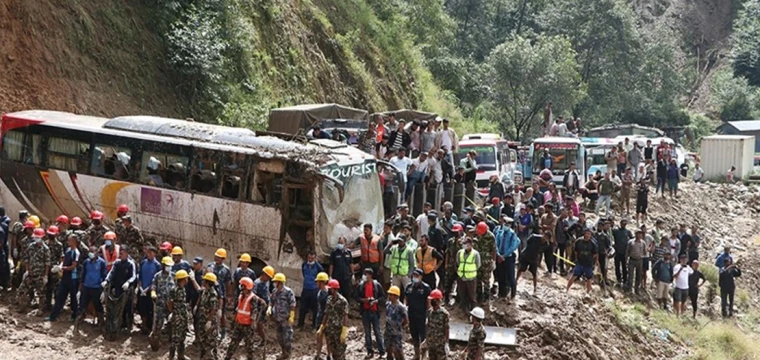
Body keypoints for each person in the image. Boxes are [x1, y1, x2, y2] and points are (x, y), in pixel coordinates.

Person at [225, 277, 266, 360]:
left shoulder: (252, 298)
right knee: (233, 343)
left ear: (245, 286)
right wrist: (234, 320)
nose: (240, 286)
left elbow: (254, 311)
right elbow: (238, 309)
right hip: (239, 323)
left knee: (249, 347)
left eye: (242, 285)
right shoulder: (241, 295)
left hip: (248, 326)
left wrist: (253, 323)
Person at [46, 234, 80, 322]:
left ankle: (75, 316)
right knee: (60, 297)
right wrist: (59, 266)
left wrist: (62, 268)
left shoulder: (76, 252)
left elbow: (73, 266)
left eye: (70, 240)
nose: (68, 241)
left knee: (73, 298)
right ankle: (53, 316)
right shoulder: (68, 250)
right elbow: (64, 261)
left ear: (74, 242)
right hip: (65, 277)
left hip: (72, 278)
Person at [17, 227, 51, 313]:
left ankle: (40, 310)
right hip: (30, 274)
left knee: (41, 293)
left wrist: (46, 275)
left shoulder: (45, 249)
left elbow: (47, 263)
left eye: (38, 237)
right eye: (35, 237)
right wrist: (27, 270)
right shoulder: (31, 246)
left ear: (42, 237)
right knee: (22, 290)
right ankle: (22, 306)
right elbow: (27, 259)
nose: (36, 239)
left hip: (40, 275)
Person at [355, 268, 386, 358]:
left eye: (366, 274)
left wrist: (376, 301)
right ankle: (369, 351)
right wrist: (364, 300)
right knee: (367, 333)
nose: (364, 276)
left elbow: (382, 297)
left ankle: (382, 351)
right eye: (364, 274)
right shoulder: (360, 286)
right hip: (365, 312)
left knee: (377, 332)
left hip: (375, 311)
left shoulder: (376, 285)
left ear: (370, 275)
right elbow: (356, 297)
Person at [77, 244, 106, 328]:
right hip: (86, 287)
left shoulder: (101, 263)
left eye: (92, 252)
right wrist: (79, 290)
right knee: (82, 305)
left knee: (98, 306)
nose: (91, 254)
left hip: (96, 287)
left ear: (96, 253)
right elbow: (83, 275)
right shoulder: (86, 262)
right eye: (90, 252)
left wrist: (103, 291)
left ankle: (101, 323)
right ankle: (78, 322)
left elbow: (104, 276)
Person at [405, 269, 431, 360]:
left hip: (422, 316)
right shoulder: (409, 286)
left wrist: (428, 315)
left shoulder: (426, 288)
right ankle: (417, 354)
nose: (415, 277)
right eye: (414, 276)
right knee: (414, 335)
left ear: (421, 277)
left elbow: (428, 303)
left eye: (417, 276)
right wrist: (405, 309)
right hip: (412, 315)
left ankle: (424, 355)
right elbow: (406, 299)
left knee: (423, 336)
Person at [269, 273, 296, 359]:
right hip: (277, 318)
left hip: (286, 319)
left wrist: (292, 316)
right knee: (279, 337)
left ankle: (288, 354)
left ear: (280, 282)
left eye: (276, 282)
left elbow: (292, 304)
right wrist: (269, 308)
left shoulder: (288, 292)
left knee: (287, 338)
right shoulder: (274, 291)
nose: (275, 283)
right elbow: (272, 301)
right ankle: (283, 352)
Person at [320, 279, 349, 360]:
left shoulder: (343, 301)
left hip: (339, 330)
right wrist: (322, 326)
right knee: (333, 352)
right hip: (330, 329)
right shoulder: (329, 299)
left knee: (340, 353)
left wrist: (344, 330)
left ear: (335, 289)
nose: (329, 290)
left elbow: (345, 316)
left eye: (330, 289)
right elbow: (326, 313)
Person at [150, 256, 176, 343]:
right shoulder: (157, 276)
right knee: (158, 323)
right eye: (167, 265)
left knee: (171, 322)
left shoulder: (173, 276)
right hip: (160, 303)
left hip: (170, 304)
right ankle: (156, 340)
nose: (169, 267)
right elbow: (153, 286)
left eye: (170, 266)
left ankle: (171, 340)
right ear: (163, 265)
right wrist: (153, 293)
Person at [207, 248, 233, 338]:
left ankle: (223, 330)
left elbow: (228, 283)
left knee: (221, 314)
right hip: (210, 293)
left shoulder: (226, 269)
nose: (217, 258)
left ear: (223, 259)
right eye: (216, 256)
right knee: (210, 311)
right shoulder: (210, 266)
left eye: (219, 257)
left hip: (221, 294)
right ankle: (212, 329)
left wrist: (229, 295)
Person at [137, 246, 161, 334]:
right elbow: (140, 276)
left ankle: (150, 327)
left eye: (151, 253)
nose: (149, 255)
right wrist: (140, 287)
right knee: (142, 308)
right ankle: (143, 326)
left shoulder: (157, 265)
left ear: (154, 254)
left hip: (151, 291)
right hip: (142, 290)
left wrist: (148, 288)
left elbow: (157, 279)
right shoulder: (143, 263)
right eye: (148, 253)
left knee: (150, 308)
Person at [384, 234, 415, 302]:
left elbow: (412, 264)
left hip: (405, 275)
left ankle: (408, 306)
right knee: (394, 293)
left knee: (408, 292)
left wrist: (409, 274)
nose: (399, 242)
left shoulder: (409, 250)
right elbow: (385, 251)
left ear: (405, 241)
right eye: (398, 241)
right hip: (396, 275)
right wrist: (390, 244)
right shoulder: (394, 248)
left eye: (401, 241)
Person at [495, 216, 519, 300]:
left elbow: (512, 247)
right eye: (505, 223)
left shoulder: (512, 234)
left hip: (508, 258)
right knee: (501, 276)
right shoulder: (499, 232)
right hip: (499, 257)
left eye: (507, 223)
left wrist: (504, 256)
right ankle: (502, 293)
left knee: (511, 277)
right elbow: (496, 244)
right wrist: (498, 255)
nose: (505, 225)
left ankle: (513, 294)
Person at [168, 270, 190, 360]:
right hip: (177, 316)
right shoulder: (174, 289)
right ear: (183, 279)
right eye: (186, 278)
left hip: (183, 315)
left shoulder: (183, 288)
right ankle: (171, 356)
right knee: (175, 337)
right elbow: (170, 302)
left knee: (182, 336)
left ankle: (181, 355)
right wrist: (172, 312)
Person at [566, 228, 598, 293]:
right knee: (574, 275)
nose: (587, 235)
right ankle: (567, 289)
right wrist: (576, 258)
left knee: (589, 278)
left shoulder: (593, 243)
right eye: (586, 233)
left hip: (588, 263)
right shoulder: (579, 241)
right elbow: (575, 251)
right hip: (580, 262)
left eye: (589, 234)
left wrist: (594, 262)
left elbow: (595, 254)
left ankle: (588, 292)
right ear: (584, 233)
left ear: (590, 235)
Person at [197, 272, 219, 360]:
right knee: (202, 339)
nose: (202, 281)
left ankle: (213, 357)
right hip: (203, 319)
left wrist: (209, 321)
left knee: (211, 341)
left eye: (204, 280)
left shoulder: (212, 294)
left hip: (210, 321)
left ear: (208, 282)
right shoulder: (205, 291)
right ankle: (203, 356)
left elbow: (213, 309)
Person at [457, 237, 480, 311]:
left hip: (471, 278)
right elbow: (458, 262)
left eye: (465, 244)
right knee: (462, 295)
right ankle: (463, 311)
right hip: (461, 277)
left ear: (470, 244)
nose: (464, 245)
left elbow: (478, 265)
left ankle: (473, 311)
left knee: (472, 296)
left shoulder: (475, 254)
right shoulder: (460, 252)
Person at [254, 265, 275, 346]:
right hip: (259, 307)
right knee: (259, 324)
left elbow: (267, 292)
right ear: (264, 274)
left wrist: (270, 298)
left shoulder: (267, 282)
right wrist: (260, 300)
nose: (269, 279)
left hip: (267, 305)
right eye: (268, 277)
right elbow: (253, 295)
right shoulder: (256, 283)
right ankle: (263, 338)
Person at [314, 272, 331, 360]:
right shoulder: (319, 292)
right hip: (320, 317)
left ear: (322, 282)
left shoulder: (329, 293)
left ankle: (329, 355)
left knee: (328, 338)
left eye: (318, 282)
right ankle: (318, 354)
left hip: (327, 319)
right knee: (319, 337)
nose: (316, 283)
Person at [613, 220, 632, 287]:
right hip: (617, 252)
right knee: (617, 266)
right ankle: (618, 280)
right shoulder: (616, 231)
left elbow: (632, 240)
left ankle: (625, 281)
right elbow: (610, 235)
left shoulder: (628, 232)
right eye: (622, 224)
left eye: (625, 224)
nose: (623, 225)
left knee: (624, 267)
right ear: (620, 223)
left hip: (625, 252)